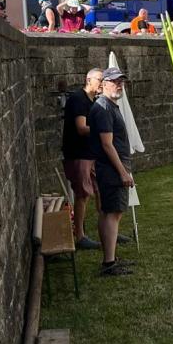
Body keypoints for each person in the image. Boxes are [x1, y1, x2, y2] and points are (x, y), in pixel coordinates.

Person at [89, 67, 136, 276]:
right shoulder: (104, 107)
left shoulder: (109, 105)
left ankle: (110, 258)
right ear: (104, 84)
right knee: (113, 213)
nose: (119, 85)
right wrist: (123, 172)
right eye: (115, 81)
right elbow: (107, 145)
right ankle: (109, 263)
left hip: (111, 168)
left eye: (121, 82)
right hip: (111, 169)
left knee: (108, 212)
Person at [62, 69, 104, 250]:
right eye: (99, 80)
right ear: (88, 80)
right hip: (79, 155)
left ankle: (107, 228)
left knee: (101, 190)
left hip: (90, 154)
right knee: (83, 194)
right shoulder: (79, 99)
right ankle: (79, 236)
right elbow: (81, 128)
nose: (102, 83)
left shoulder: (92, 101)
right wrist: (102, 129)